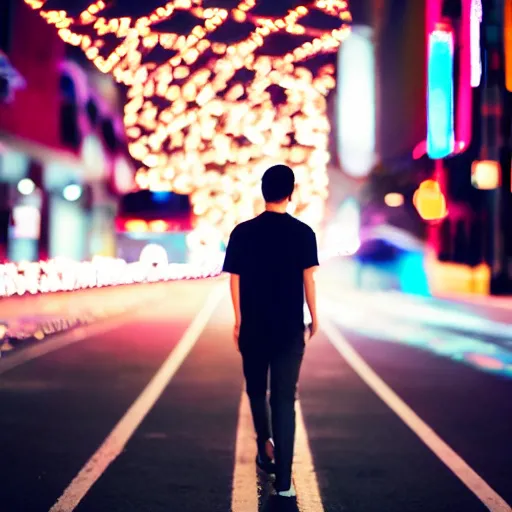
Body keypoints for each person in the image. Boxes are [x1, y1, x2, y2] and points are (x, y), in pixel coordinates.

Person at [223, 164, 319, 498]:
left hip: (253, 326)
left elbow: (233, 279)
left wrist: (238, 319)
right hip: (289, 329)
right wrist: (314, 317)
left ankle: (264, 444)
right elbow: (309, 279)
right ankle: (283, 483)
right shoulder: (303, 233)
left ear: (263, 190)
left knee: (255, 389)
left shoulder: (242, 232)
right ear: (290, 192)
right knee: (283, 399)